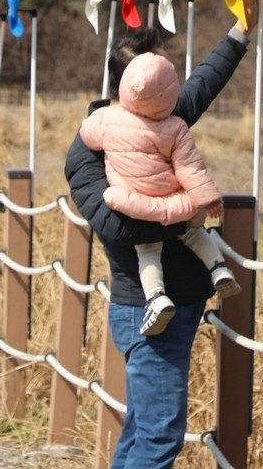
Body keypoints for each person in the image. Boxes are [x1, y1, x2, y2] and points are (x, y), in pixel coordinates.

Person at [65, 0, 263, 469]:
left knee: (142, 430)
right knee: (159, 438)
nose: (175, 92)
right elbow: (116, 226)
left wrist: (243, 28)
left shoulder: (162, 119)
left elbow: (204, 82)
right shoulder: (88, 150)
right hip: (145, 308)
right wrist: (188, 212)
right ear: (132, 88)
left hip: (178, 301)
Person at [80, 51, 240, 336]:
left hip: (135, 201)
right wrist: (207, 198)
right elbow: (191, 168)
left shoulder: (107, 119)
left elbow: (86, 134)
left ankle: (156, 296)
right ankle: (219, 269)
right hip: (170, 197)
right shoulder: (176, 127)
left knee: (148, 250)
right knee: (194, 232)